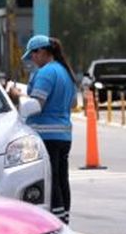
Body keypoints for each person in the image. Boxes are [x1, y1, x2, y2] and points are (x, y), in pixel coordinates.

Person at [7, 35, 76, 224]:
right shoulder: (65, 72)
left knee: (50, 180)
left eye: (33, 55)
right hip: (64, 136)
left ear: (43, 51)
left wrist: (16, 97)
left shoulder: (46, 73)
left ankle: (55, 222)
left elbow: (36, 106)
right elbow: (74, 103)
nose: (33, 60)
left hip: (46, 136)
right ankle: (64, 219)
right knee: (62, 179)